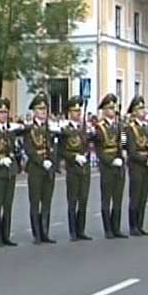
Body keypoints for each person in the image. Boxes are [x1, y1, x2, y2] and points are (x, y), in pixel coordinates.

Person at [0, 98, 23, 247]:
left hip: (10, 171)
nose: (3, 115)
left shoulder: (9, 131)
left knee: (8, 205)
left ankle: (6, 235)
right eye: (0, 112)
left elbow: (13, 149)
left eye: (5, 112)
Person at [24, 92, 57, 244]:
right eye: (40, 109)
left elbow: (54, 148)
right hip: (36, 169)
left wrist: (52, 162)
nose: (43, 112)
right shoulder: (29, 129)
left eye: (45, 109)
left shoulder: (50, 128)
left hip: (48, 170)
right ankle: (36, 233)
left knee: (47, 201)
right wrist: (41, 161)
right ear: (34, 111)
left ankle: (45, 232)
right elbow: (29, 150)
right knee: (35, 201)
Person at [94, 94, 127, 239]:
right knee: (107, 198)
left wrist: (123, 154)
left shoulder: (119, 126)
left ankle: (116, 227)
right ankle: (107, 229)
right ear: (104, 110)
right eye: (109, 108)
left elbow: (122, 143)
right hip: (107, 166)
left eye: (113, 108)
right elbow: (99, 150)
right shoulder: (99, 127)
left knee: (118, 198)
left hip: (119, 165)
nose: (112, 111)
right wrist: (110, 160)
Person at [61, 96, 92, 241]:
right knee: (73, 200)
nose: (78, 114)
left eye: (79, 111)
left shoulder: (84, 128)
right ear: (69, 113)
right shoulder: (65, 130)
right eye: (74, 111)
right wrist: (74, 158)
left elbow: (88, 145)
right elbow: (62, 151)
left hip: (85, 169)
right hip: (73, 169)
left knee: (83, 200)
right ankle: (73, 231)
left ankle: (81, 230)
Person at [125, 95, 148, 236]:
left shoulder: (146, 127)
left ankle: (140, 225)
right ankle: (133, 226)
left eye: (143, 108)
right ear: (133, 111)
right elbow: (131, 151)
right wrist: (146, 160)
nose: (143, 111)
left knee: (143, 197)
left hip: (146, 167)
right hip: (136, 166)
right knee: (135, 197)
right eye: (139, 109)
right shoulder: (129, 129)